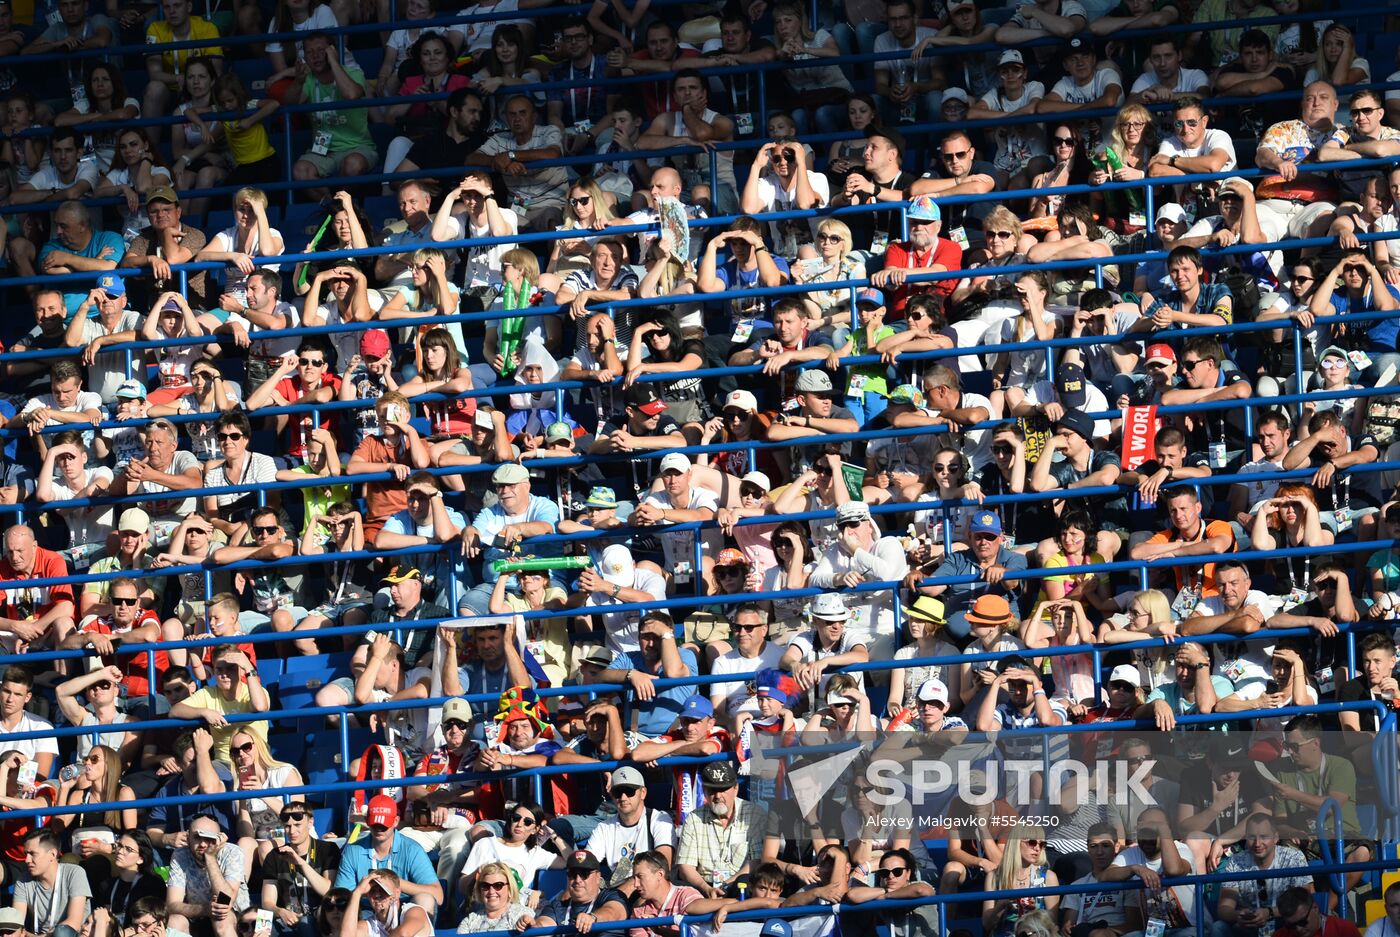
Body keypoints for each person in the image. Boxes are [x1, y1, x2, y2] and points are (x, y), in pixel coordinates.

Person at [287, 32, 375, 198]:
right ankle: (332, 209)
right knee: (300, 170)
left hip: (357, 146)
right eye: (310, 52)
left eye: (321, 51)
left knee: (353, 165)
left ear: (331, 51)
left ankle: (344, 207)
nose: (315, 56)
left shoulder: (353, 73)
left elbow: (351, 94)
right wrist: (298, 81)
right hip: (323, 149)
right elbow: (289, 104)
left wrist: (334, 60)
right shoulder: (308, 80)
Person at [333, 795, 443, 914]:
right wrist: (361, 891)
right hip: (368, 911)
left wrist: (394, 883)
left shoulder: (412, 849)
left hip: (404, 909)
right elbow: (340, 897)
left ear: (396, 821)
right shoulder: (353, 851)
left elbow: (438, 895)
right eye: (375, 824)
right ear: (366, 821)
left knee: (425, 900)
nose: (379, 829)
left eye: (383, 825)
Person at [1212, 813, 1312, 937]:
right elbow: (1224, 908)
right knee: (1218, 928)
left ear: (1276, 838)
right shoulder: (1236, 861)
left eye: (1264, 837)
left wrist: (1270, 913)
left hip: (1285, 924)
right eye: (1252, 837)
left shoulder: (1294, 857)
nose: (1257, 843)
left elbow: (1305, 899)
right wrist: (1239, 916)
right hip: (1248, 928)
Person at [166, 815, 249, 937]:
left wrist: (210, 857)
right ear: (188, 838)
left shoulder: (233, 852)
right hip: (197, 916)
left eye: (209, 838)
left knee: (221, 918)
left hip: (234, 918)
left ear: (219, 838)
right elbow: (172, 905)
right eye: (197, 837)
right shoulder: (180, 855)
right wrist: (204, 910)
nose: (203, 844)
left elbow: (226, 901)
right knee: (174, 921)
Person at [13, 829, 91, 937]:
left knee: (62, 932)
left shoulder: (75, 873)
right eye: (26, 854)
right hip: (38, 934)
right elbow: (16, 924)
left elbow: (74, 924)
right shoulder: (23, 880)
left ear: (53, 854)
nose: (27, 860)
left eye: (32, 854)